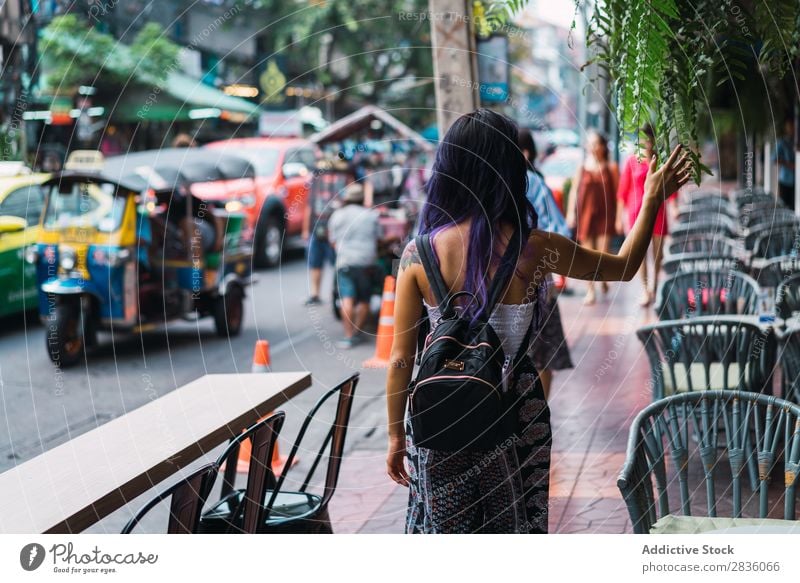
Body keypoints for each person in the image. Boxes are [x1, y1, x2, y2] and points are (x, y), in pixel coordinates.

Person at [385, 108, 692, 533]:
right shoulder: (537, 249)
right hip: (515, 418)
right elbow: (623, 268)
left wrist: (395, 436)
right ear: (512, 169)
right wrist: (652, 200)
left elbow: (401, 360)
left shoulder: (418, 255)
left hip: (442, 420)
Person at [517, 128, 574, 399]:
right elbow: (561, 232)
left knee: (536, 357)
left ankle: (534, 415)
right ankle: (537, 414)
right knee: (540, 356)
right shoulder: (531, 183)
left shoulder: (530, 184)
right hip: (537, 289)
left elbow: (559, 231)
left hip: (531, 291)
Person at [616, 124, 676, 306]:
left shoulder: (661, 160)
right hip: (637, 213)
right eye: (643, 139)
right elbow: (622, 191)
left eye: (648, 139)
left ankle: (655, 286)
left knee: (658, 254)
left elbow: (671, 186)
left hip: (658, 210)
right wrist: (619, 217)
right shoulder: (632, 161)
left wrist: (673, 206)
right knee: (640, 254)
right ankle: (645, 290)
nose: (646, 142)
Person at [566, 131, 619, 305]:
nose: (592, 147)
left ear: (603, 147)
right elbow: (574, 191)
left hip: (605, 215)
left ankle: (602, 278)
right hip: (586, 216)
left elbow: (618, 195)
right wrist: (570, 213)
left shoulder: (611, 168)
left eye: (596, 143)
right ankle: (590, 290)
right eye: (590, 143)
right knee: (587, 255)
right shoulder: (581, 167)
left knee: (602, 254)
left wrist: (619, 217)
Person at [327, 182, 382, 349]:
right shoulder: (371, 215)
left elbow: (333, 241)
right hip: (366, 262)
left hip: (345, 261)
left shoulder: (337, 215)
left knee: (347, 299)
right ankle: (357, 332)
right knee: (364, 299)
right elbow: (378, 239)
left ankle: (348, 335)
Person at [775, 118, 795, 210]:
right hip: (785, 180)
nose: (791, 129)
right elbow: (775, 159)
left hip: (796, 181)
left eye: (793, 127)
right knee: (784, 206)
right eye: (789, 127)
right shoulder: (782, 143)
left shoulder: (796, 142)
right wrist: (788, 164)